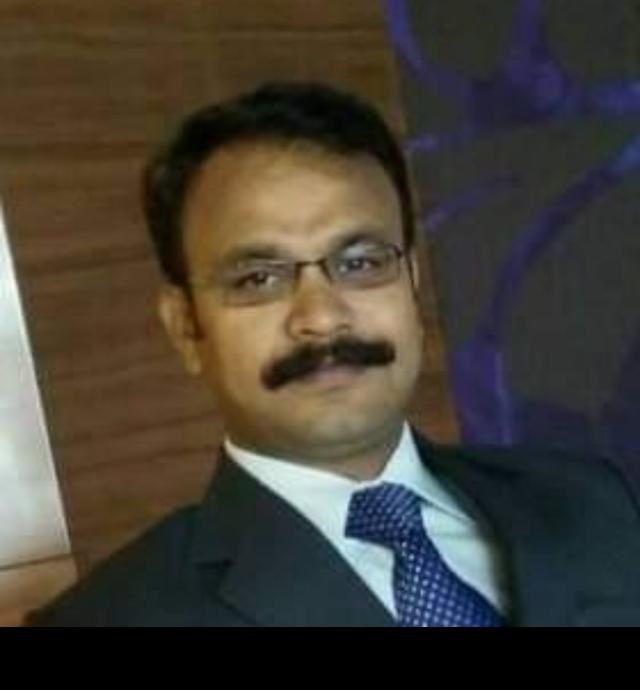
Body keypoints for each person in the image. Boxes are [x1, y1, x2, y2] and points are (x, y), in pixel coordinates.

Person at [28, 82, 640, 627]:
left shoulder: (590, 503)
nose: (322, 318)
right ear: (187, 327)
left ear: (412, 283)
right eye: (258, 279)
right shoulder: (112, 617)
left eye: (361, 263)